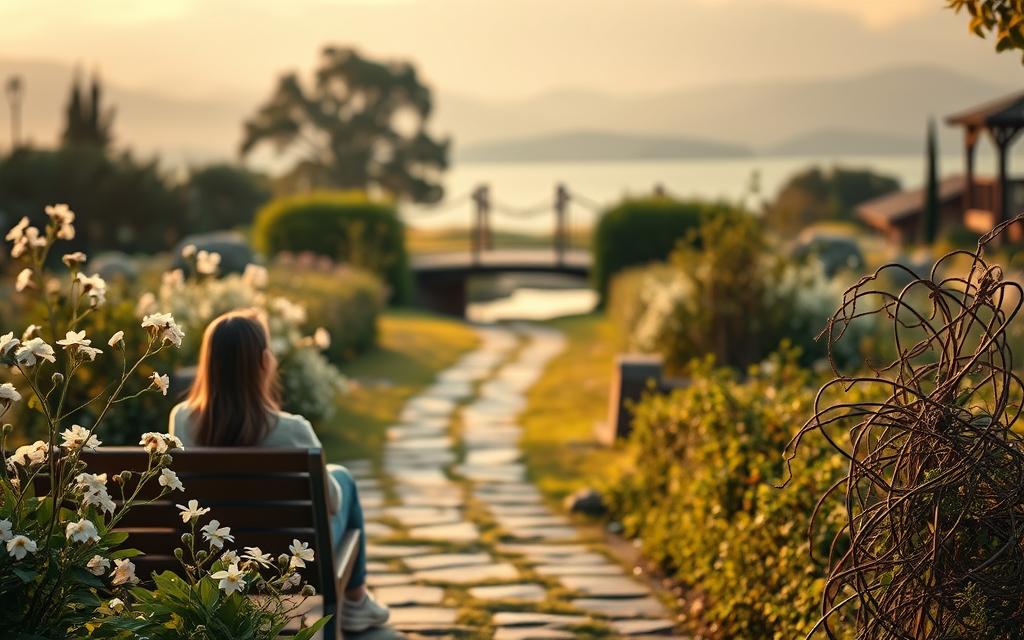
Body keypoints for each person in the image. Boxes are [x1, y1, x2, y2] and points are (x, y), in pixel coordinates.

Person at [169, 309, 389, 633]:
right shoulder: (293, 430)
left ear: (209, 363)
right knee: (343, 480)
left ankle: (357, 601)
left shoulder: (182, 420)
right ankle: (356, 601)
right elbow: (333, 504)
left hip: (211, 558)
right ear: (263, 363)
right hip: (286, 562)